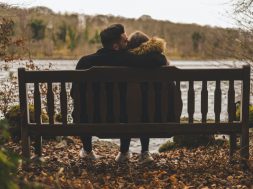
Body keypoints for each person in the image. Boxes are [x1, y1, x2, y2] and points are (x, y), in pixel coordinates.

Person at [71, 24, 168, 162]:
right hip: (123, 118)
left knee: (83, 107)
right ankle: (124, 152)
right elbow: (159, 59)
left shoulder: (85, 61)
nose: (128, 42)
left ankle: (87, 150)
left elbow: (74, 93)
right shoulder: (128, 59)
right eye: (125, 40)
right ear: (116, 47)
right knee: (129, 105)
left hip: (90, 117)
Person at [115, 31, 170, 164]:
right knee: (146, 105)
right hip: (156, 114)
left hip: (124, 114)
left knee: (127, 106)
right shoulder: (160, 60)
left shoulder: (125, 60)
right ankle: (145, 152)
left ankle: (123, 152)